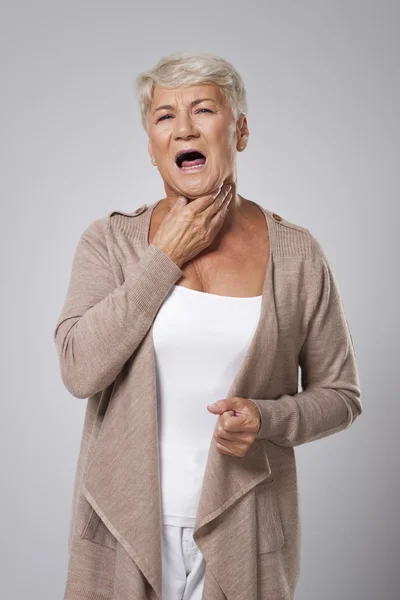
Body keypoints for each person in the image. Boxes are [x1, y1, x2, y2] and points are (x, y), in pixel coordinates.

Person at [54, 52, 363, 600]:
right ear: (151, 146)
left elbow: (340, 396)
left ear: (239, 131)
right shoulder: (109, 243)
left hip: (247, 530)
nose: (184, 129)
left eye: (203, 109)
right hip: (123, 529)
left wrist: (267, 418)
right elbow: (80, 369)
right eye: (164, 116)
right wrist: (164, 258)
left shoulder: (295, 253)